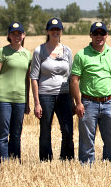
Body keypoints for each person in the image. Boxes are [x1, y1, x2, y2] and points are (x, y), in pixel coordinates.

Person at [70, 21, 111, 163]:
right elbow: (74, 81)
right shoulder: (81, 55)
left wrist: (110, 91)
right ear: (90, 35)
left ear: (107, 35)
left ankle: (110, 166)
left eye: (102, 33)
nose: (99, 36)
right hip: (88, 103)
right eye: (96, 33)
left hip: (108, 103)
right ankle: (87, 169)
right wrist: (78, 103)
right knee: (87, 141)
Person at [30, 18, 75, 161]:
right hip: (45, 95)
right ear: (47, 31)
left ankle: (66, 159)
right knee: (45, 130)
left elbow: (71, 78)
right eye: (52, 29)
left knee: (67, 130)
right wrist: (37, 103)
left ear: (61, 31)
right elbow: (34, 78)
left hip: (64, 95)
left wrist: (73, 101)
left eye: (58, 29)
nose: (55, 32)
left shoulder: (67, 51)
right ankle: (45, 160)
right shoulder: (39, 51)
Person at [0, 22, 31, 161]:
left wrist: (27, 101)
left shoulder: (27, 55)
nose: (16, 36)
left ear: (23, 35)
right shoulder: (2, 52)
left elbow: (27, 80)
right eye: (13, 34)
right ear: (9, 36)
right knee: (2, 134)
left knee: (16, 135)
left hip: (20, 99)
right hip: (3, 98)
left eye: (19, 33)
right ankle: (2, 163)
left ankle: (14, 163)